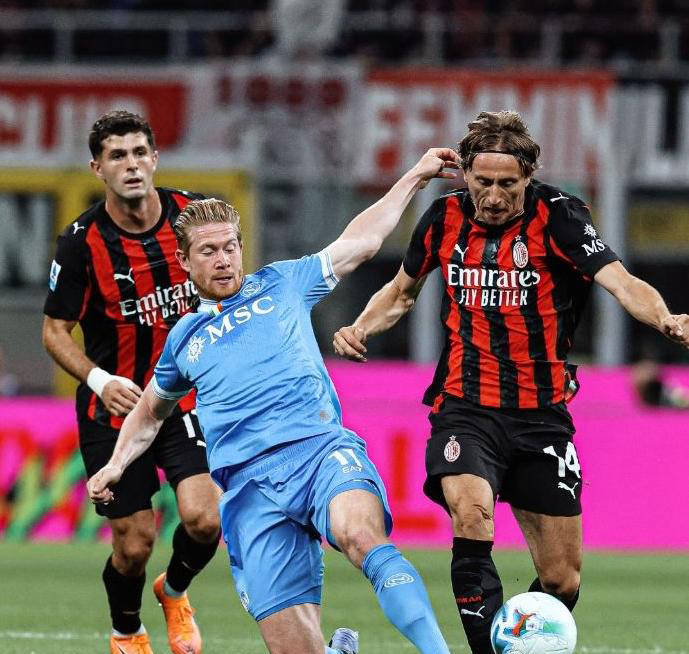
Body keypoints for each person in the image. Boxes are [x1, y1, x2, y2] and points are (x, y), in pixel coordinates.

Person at [332, 110, 689, 654]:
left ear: (529, 177)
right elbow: (401, 292)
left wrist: (665, 318)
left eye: (507, 184)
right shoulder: (443, 218)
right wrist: (360, 327)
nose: (494, 196)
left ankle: (513, 641)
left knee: (561, 580)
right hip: (465, 406)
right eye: (483, 182)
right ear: (465, 175)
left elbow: (620, 282)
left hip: (542, 417)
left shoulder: (560, 217)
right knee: (472, 513)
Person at [87, 147, 461, 654]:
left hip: (319, 452)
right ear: (184, 261)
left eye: (230, 247)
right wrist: (115, 465)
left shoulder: (283, 282)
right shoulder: (184, 339)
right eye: (208, 251)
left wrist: (415, 176)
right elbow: (150, 412)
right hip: (248, 491)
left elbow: (363, 241)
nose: (223, 259)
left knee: (361, 536)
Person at [43, 110, 222, 654]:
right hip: (115, 409)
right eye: (117, 155)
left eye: (140, 152)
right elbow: (54, 331)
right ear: (97, 168)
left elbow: (231, 289)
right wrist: (99, 379)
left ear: (155, 158)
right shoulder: (81, 242)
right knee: (135, 544)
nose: (132, 165)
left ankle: (176, 590)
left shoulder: (194, 215)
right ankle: (127, 631)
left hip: (185, 401)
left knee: (206, 520)